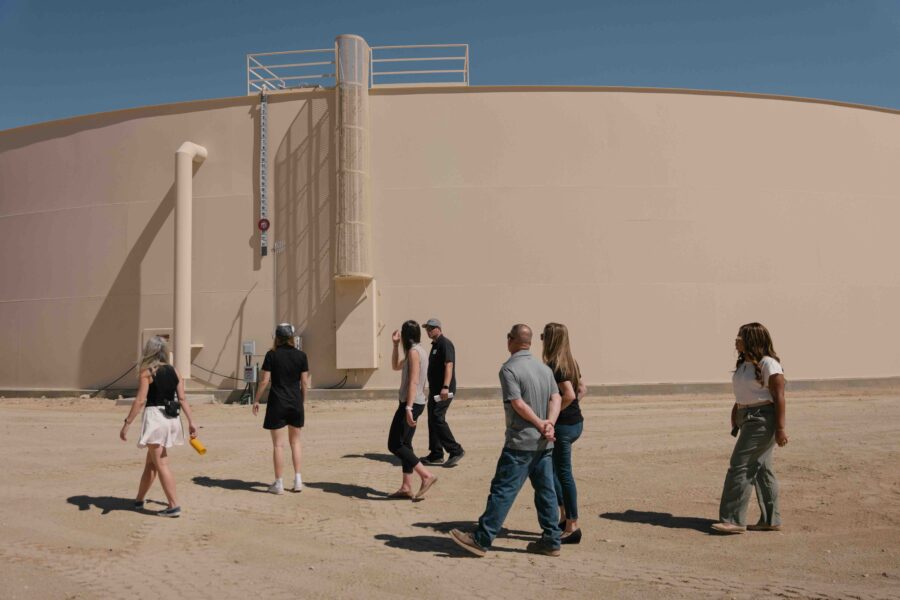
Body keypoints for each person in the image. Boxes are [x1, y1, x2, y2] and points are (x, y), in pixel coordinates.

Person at [450, 324, 562, 557]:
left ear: (510, 340)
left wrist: (541, 424)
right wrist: (549, 423)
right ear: (530, 342)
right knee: (546, 491)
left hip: (520, 442)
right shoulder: (544, 369)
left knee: (503, 490)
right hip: (544, 443)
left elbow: (518, 403)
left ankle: (481, 539)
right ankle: (551, 540)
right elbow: (556, 397)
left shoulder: (509, 369)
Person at [711, 322, 788, 534]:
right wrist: (736, 413)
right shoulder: (745, 364)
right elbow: (745, 393)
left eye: (740, 337)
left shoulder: (769, 364)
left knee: (740, 465)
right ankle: (771, 520)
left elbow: (779, 396)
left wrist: (780, 428)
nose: (736, 340)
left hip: (763, 420)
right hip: (747, 418)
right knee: (762, 469)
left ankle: (734, 520)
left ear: (752, 340)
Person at [119, 335, 198, 517]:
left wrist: (127, 424)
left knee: (161, 464)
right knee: (151, 464)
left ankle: (173, 506)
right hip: (172, 418)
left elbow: (140, 400)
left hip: (155, 419)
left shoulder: (148, 372)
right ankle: (139, 499)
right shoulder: (174, 371)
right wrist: (192, 421)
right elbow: (183, 399)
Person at [541, 322, 587, 544]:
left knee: (563, 473)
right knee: (556, 471)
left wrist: (553, 417)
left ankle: (572, 526)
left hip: (564, 427)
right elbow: (582, 390)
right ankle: (563, 517)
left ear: (550, 339)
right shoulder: (572, 362)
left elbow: (568, 394)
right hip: (576, 423)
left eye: (543, 336)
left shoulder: (555, 364)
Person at [252, 323, 310, 495]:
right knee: (296, 442)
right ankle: (298, 480)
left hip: (277, 402)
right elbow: (305, 382)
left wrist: (256, 399)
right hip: (295, 402)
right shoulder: (301, 356)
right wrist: (302, 400)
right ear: (292, 337)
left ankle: (279, 483)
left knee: (278, 445)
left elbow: (264, 380)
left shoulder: (272, 355)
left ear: (276, 337)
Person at [386, 320, 438, 501]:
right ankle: (406, 487)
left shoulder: (415, 353)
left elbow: (414, 382)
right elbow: (395, 366)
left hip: (411, 403)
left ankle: (426, 475)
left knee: (394, 444)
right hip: (415, 402)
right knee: (406, 443)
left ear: (406, 336)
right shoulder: (415, 351)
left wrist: (408, 407)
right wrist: (394, 345)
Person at [421, 318, 465, 467]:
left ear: (438, 329)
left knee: (437, 417)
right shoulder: (435, 345)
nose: (429, 331)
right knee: (432, 419)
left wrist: (445, 387)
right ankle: (436, 454)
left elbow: (449, 365)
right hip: (435, 390)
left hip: (444, 390)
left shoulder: (444, 343)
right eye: (427, 328)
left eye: (432, 328)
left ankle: (456, 450)